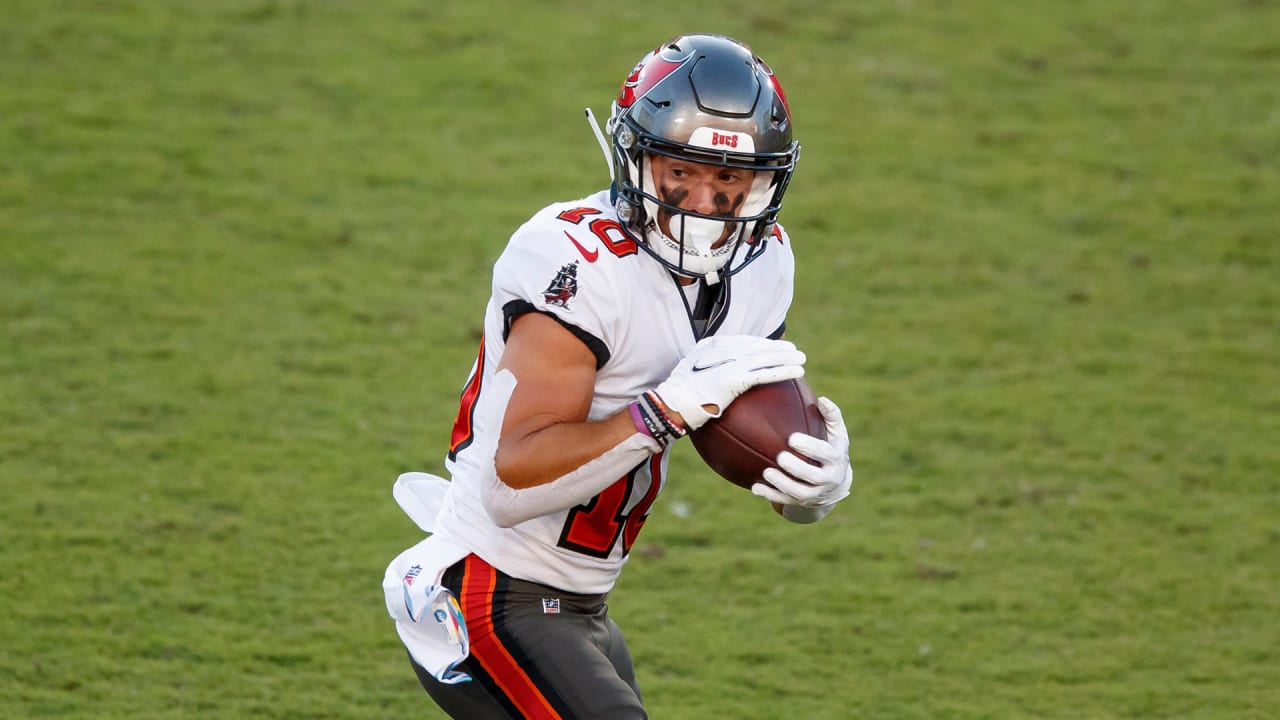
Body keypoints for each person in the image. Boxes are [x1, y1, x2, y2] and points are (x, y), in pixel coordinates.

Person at [381, 33, 853, 719]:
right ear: (636, 159)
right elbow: (510, 486)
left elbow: (750, 432)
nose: (703, 202)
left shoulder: (763, 263)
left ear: (763, 182)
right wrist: (662, 413)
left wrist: (812, 486)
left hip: (581, 604)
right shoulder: (574, 260)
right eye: (680, 171)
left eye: (728, 179)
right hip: (489, 585)